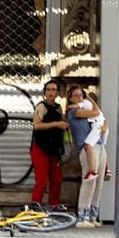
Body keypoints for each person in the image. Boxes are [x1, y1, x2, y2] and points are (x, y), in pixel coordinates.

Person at [65, 86, 105, 228]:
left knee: (98, 183)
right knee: (89, 182)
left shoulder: (84, 111)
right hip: (86, 148)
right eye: (76, 95)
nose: (79, 98)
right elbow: (96, 112)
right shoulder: (73, 111)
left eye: (81, 95)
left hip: (98, 145)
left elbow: (101, 122)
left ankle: (93, 216)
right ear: (70, 98)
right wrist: (90, 100)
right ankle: (83, 217)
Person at [30, 79, 70, 208]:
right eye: (48, 90)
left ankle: (53, 206)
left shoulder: (58, 108)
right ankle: (35, 207)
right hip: (40, 147)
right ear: (45, 92)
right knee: (41, 181)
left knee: (57, 180)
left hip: (54, 149)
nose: (51, 92)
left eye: (54, 90)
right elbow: (37, 125)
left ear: (58, 92)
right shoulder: (41, 106)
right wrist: (57, 124)